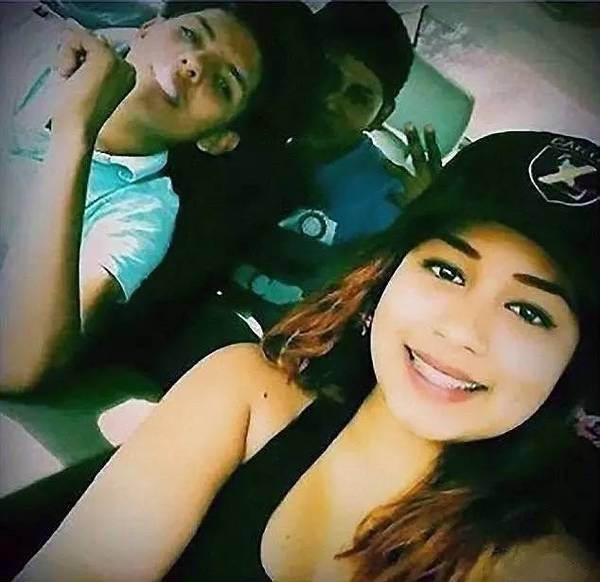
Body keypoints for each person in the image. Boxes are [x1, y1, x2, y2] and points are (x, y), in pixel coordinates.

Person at [17, 131, 599, 580]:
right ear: (387, 275)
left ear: (573, 367)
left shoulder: (544, 570)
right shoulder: (243, 395)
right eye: (446, 271)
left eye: (529, 312)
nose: (463, 330)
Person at [107, 0, 442, 387]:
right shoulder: (223, 119)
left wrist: (430, 222)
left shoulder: (390, 201)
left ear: (381, 115)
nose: (330, 102)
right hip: (153, 324)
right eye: (327, 76)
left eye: (358, 97)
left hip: (263, 368)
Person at [0, 1, 318, 392]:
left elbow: (19, 362)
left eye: (223, 85)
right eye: (190, 34)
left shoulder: (140, 214)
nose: (194, 63)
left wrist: (76, 132)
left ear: (218, 138)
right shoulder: (31, 43)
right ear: (148, 28)